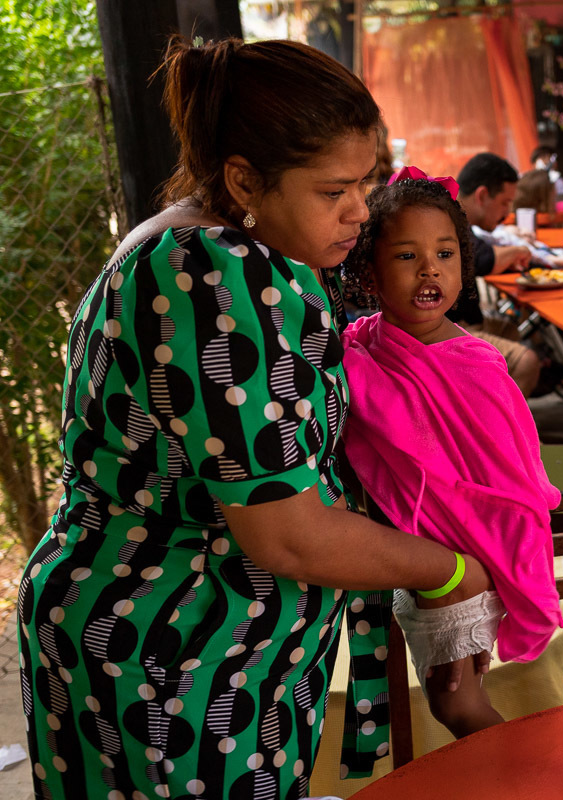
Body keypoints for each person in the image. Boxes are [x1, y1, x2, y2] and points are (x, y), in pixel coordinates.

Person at [17, 36, 491, 799]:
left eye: (366, 183)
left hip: (207, 649)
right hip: (170, 653)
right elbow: (288, 532)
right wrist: (451, 570)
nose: (358, 211)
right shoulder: (209, 274)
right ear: (243, 177)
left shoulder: (240, 250)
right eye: (334, 190)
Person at [338, 171, 562, 737]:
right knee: (453, 699)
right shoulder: (369, 340)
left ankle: (521, 781)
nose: (429, 269)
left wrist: (500, 563)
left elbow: (511, 473)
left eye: (445, 253)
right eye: (407, 255)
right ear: (369, 270)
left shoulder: (475, 362)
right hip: (425, 552)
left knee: (456, 704)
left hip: (465, 549)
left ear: (464, 266)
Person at [451, 152, 540, 396]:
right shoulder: (450, 219)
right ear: (482, 195)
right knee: (527, 362)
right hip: (446, 328)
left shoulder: (455, 216)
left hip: (459, 321)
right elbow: (482, 259)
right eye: (504, 203)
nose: (507, 212)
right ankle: (497, 432)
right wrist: (518, 251)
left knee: (511, 331)